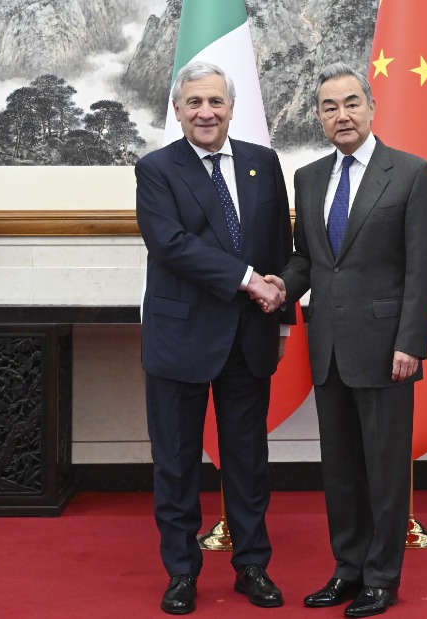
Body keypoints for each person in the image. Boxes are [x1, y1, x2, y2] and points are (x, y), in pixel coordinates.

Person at [272, 62, 427, 618]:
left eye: (351, 103)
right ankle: (347, 569)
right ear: (319, 117)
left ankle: (382, 577)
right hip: (329, 348)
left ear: (371, 108)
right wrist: (279, 287)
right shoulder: (309, 178)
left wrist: (411, 342)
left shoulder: (412, 174)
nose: (341, 115)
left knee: (385, 471)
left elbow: (423, 269)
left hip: (387, 348)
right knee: (341, 471)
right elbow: (308, 259)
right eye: (329, 107)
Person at [135, 61, 292, 615]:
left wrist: (283, 319)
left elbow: (278, 246)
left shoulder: (262, 163)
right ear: (178, 110)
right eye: (195, 102)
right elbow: (171, 244)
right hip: (179, 337)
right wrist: (249, 280)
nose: (206, 112)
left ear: (231, 108)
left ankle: (252, 565)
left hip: (249, 336)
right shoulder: (156, 169)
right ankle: (181, 572)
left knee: (247, 460)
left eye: (216, 102)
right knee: (176, 462)